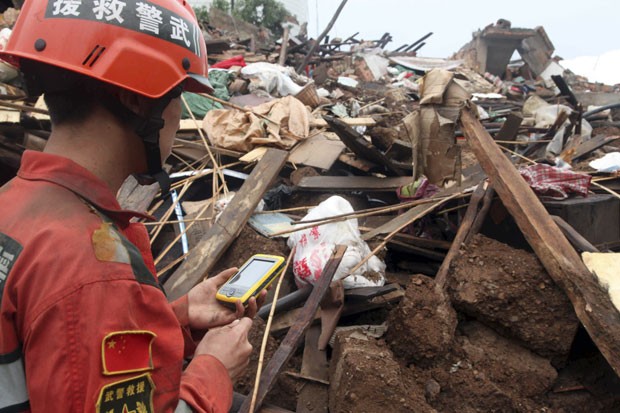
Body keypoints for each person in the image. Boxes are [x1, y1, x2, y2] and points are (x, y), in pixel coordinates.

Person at [0, 1, 260, 412]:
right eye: (178, 95)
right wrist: (215, 371)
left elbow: (61, 343)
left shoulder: (14, 203)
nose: (179, 114)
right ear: (139, 100)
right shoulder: (94, 269)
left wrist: (177, 316)